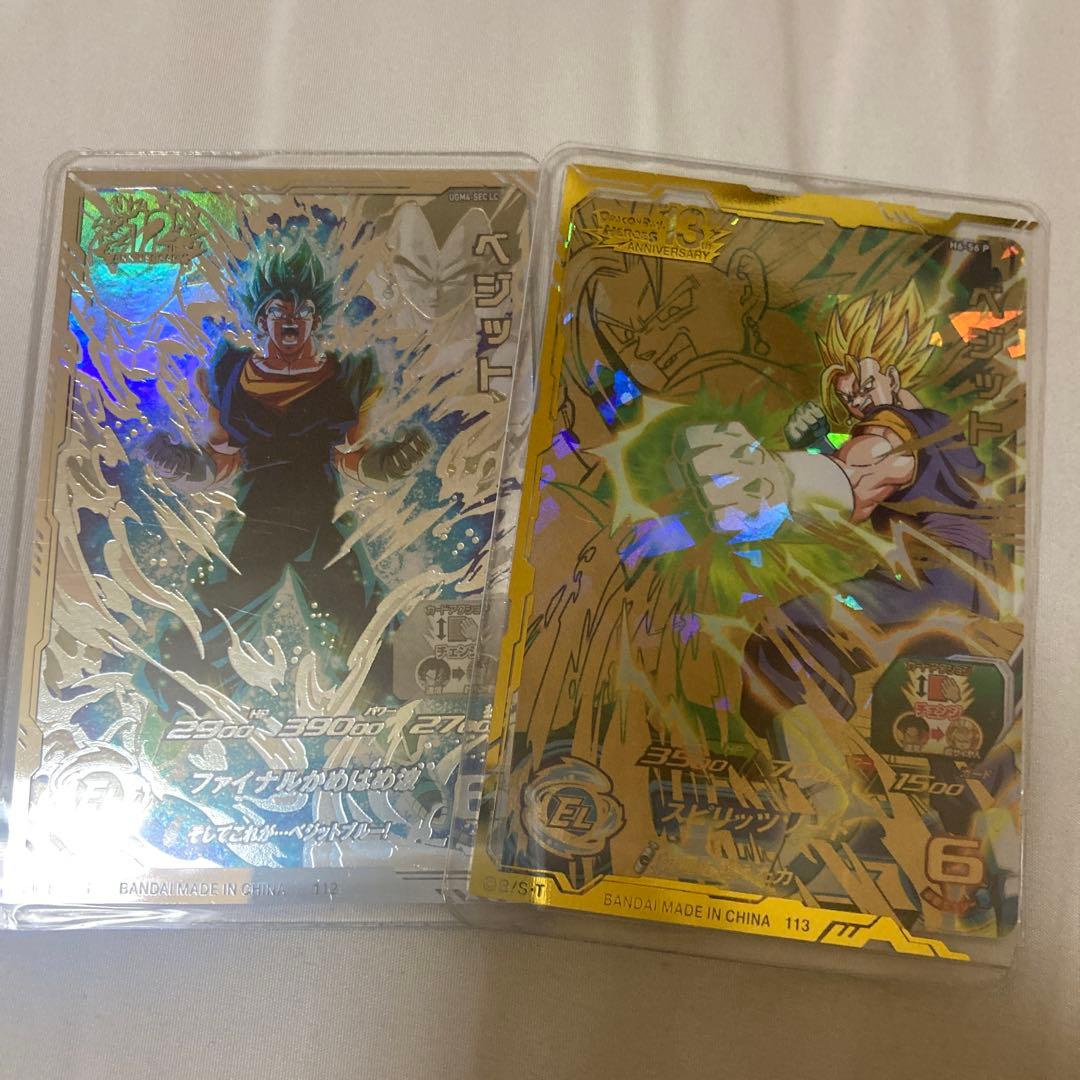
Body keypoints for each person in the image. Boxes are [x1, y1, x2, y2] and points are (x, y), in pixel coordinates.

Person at [681, 282, 992, 732]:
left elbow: (867, 469)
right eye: (849, 397)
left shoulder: (900, 431)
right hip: (942, 587)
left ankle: (815, 747)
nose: (857, 404)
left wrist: (773, 477)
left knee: (788, 631)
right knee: (801, 633)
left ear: (893, 376)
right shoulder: (936, 431)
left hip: (935, 589)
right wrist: (817, 445)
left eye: (865, 388)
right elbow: (867, 469)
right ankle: (826, 738)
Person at [144, 240, 429, 711]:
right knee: (211, 621)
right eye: (278, 309)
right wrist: (179, 464)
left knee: (360, 626)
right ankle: (181, 715)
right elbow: (221, 461)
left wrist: (390, 462)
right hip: (255, 523)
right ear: (262, 320)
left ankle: (389, 720)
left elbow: (351, 458)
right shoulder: (230, 375)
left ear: (316, 319)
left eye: (303, 309)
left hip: (322, 523)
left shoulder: (345, 378)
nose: (291, 317)